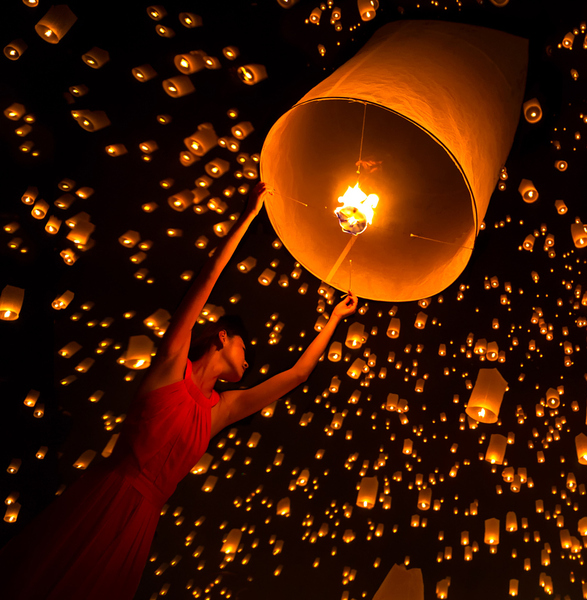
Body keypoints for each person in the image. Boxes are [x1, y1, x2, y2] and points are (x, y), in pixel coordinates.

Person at [0, 181, 358, 599]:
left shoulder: (220, 410)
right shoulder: (172, 365)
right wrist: (246, 218)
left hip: (141, 524)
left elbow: (297, 374)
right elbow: (207, 278)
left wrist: (334, 318)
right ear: (222, 338)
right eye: (245, 347)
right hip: (106, 495)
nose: (249, 360)